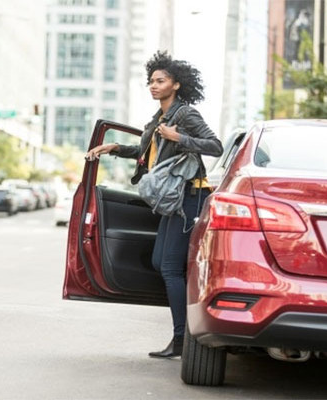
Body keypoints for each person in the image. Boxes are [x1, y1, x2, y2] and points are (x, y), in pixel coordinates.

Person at [85, 51, 223, 359]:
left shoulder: (185, 115)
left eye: (160, 81)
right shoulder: (157, 119)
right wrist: (114, 147)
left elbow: (216, 146)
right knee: (162, 263)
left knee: (171, 266)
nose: (153, 85)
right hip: (171, 200)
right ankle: (189, 331)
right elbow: (144, 151)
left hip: (189, 196)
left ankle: (184, 340)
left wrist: (180, 137)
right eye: (151, 81)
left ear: (176, 84)